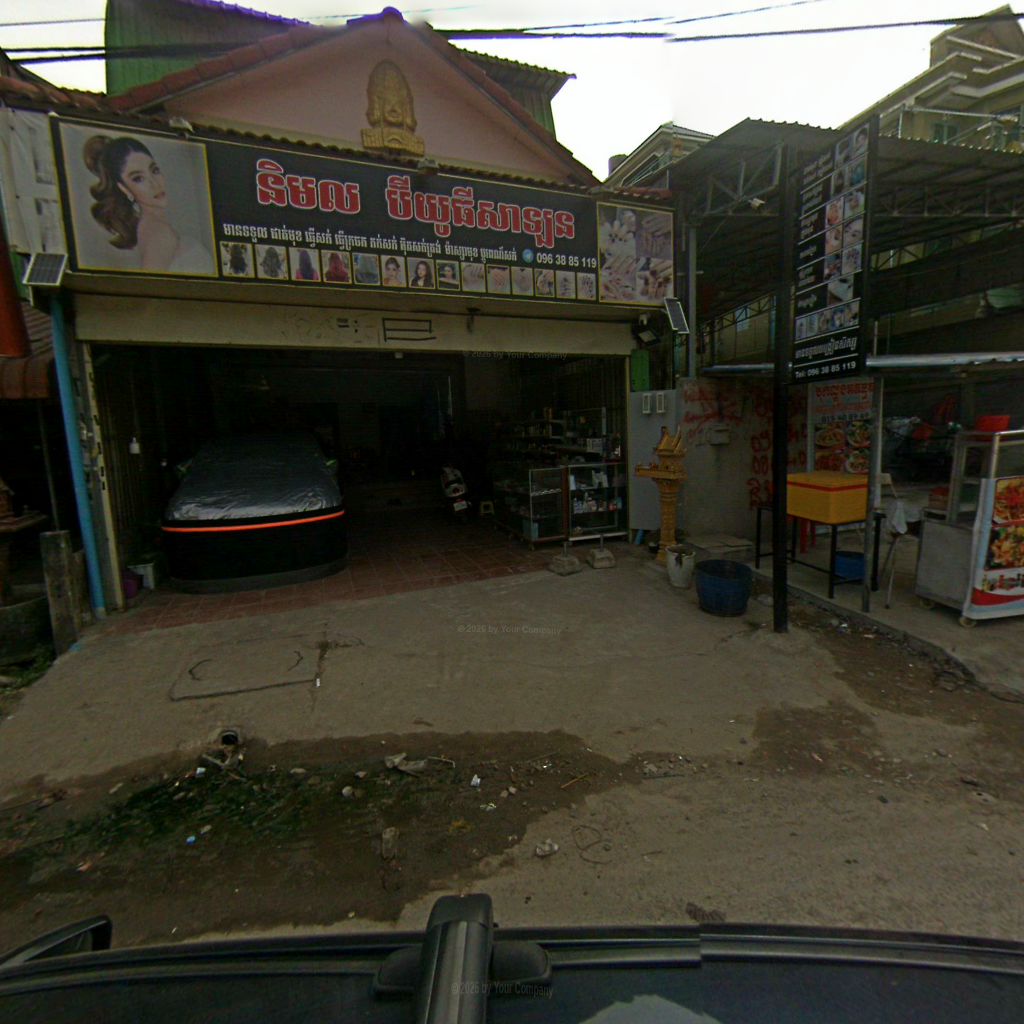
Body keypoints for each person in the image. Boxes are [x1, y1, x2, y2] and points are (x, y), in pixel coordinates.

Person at [83, 134, 210, 273]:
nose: (154, 184)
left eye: (154, 170)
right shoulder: (159, 233)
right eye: (138, 178)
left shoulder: (150, 228)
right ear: (124, 188)